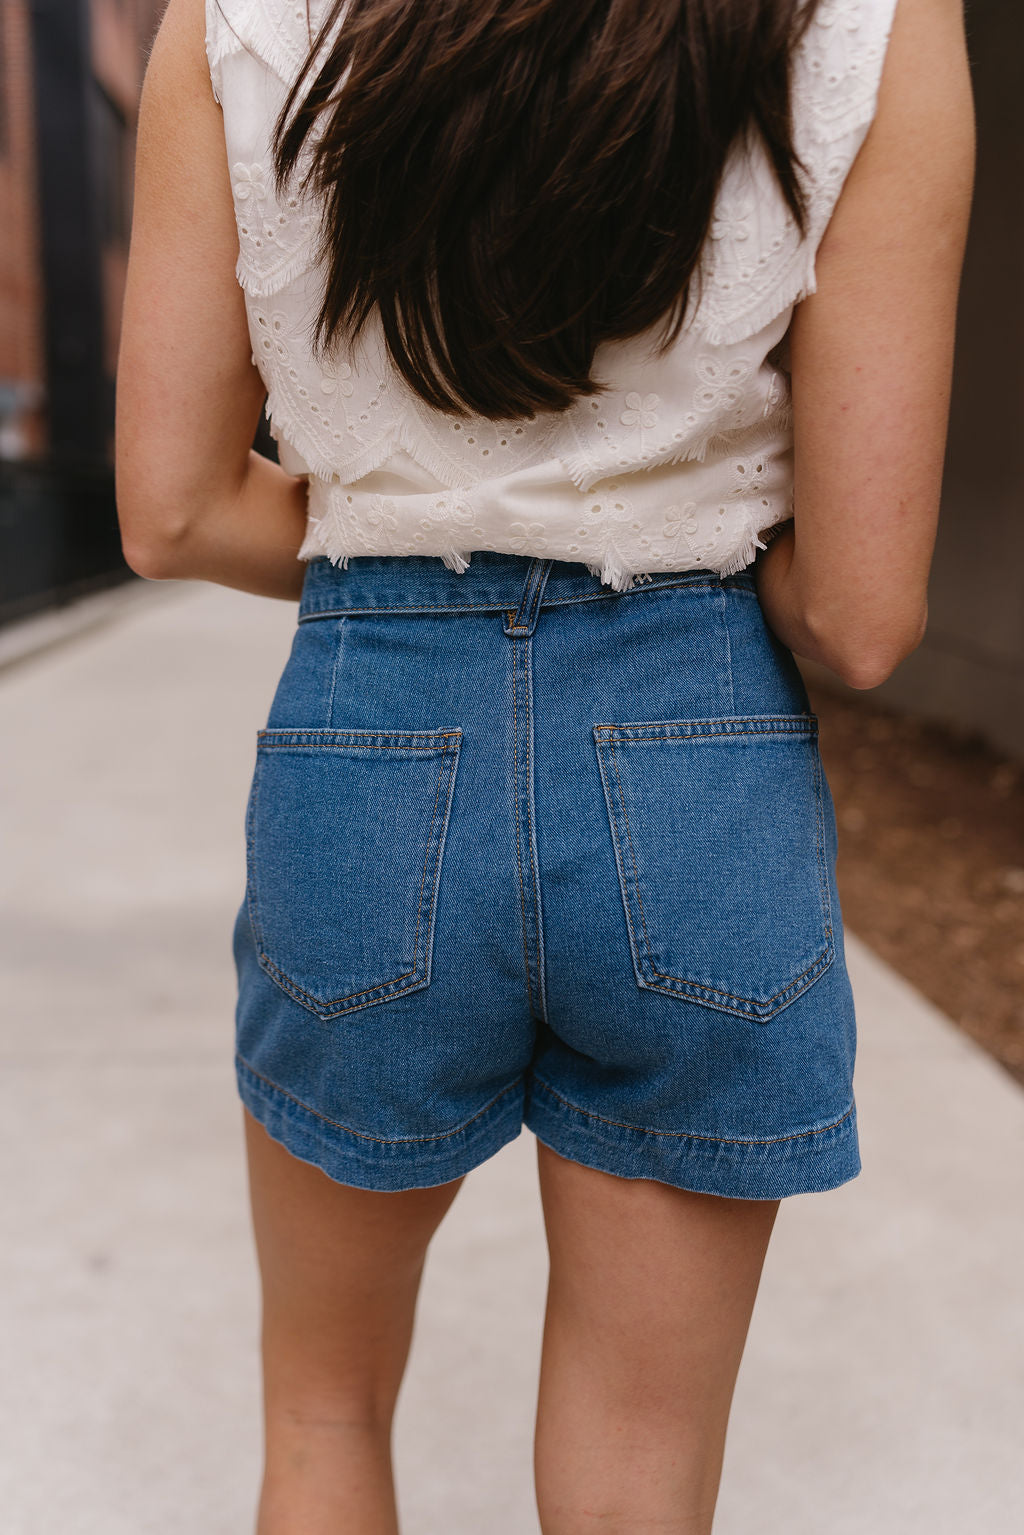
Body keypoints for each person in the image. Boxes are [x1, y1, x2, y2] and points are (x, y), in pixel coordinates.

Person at [114, 0, 974, 1530]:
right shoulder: (876, 26)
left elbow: (172, 510)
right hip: (694, 745)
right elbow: (858, 614)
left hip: (371, 739)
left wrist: (400, 567)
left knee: (323, 1416)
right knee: (642, 1477)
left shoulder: (235, 22)